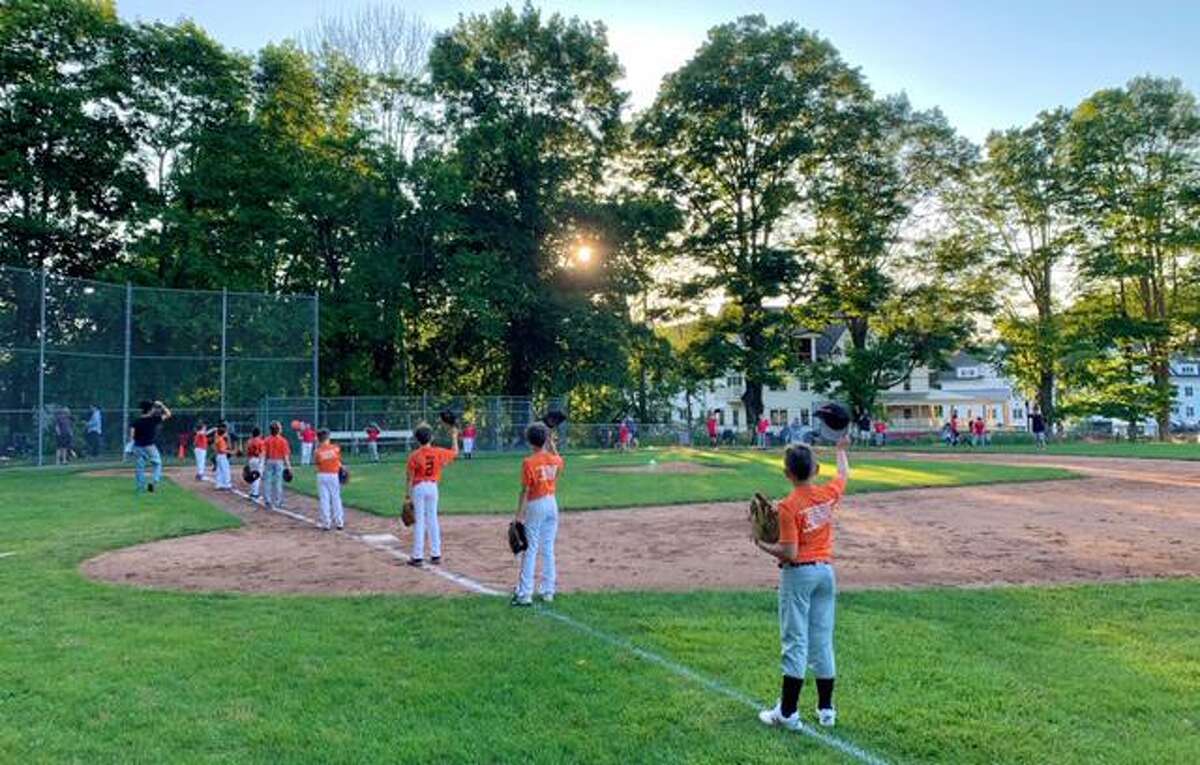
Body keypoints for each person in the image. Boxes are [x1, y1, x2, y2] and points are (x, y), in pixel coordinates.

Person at [754, 434, 850, 731]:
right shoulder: (827, 494)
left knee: (795, 640)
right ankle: (826, 710)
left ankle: (788, 712)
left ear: (786, 473)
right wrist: (841, 450)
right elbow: (843, 475)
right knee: (822, 640)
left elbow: (789, 552)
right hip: (826, 573)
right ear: (816, 469)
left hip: (799, 575)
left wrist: (761, 544)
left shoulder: (788, 505)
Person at [511, 422, 564, 607]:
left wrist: (519, 515)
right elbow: (558, 460)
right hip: (552, 503)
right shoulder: (555, 460)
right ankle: (548, 591)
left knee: (530, 548)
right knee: (547, 547)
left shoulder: (528, 462)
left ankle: (525, 594)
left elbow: (525, 491)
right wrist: (550, 441)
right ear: (545, 440)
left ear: (529, 441)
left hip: (536, 503)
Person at [404, 421, 459, 567]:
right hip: (433, 488)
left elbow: (409, 478)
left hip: (419, 488)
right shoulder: (438, 452)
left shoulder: (414, 456)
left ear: (417, 439)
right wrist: (454, 436)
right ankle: (436, 554)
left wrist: (407, 496)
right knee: (432, 519)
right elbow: (455, 453)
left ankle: (417, 556)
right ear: (431, 438)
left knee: (419, 521)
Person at [129, 400, 171, 494]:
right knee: (157, 464)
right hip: (150, 446)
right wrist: (162, 405)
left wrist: (131, 447)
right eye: (152, 408)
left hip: (138, 446)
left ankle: (141, 488)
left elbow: (131, 436)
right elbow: (168, 414)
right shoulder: (153, 419)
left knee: (140, 468)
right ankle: (152, 484)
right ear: (149, 410)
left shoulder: (136, 421)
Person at [314, 428, 345, 531]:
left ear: (318, 439)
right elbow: (338, 462)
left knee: (324, 499)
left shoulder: (317, 451)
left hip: (322, 475)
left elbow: (317, 464)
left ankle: (326, 523)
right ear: (328, 437)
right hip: (333, 475)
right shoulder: (335, 448)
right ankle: (339, 522)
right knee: (336, 498)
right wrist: (343, 468)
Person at [263, 421, 293, 509]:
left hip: (269, 461)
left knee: (267, 481)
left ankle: (267, 500)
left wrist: (263, 464)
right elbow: (286, 456)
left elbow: (264, 453)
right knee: (278, 481)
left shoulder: (267, 440)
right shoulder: (283, 441)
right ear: (278, 430)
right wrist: (289, 467)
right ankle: (278, 501)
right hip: (279, 462)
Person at [244, 426, 265, 502]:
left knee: (252, 476)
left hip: (251, 459)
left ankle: (252, 493)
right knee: (257, 477)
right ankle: (255, 495)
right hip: (257, 460)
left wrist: (248, 461)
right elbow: (261, 452)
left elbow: (247, 452)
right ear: (259, 433)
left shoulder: (249, 441)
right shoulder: (260, 441)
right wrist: (261, 461)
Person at [212, 423, 233, 490]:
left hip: (219, 456)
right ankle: (227, 484)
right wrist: (231, 452)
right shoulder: (221, 439)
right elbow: (222, 450)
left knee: (219, 470)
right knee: (225, 470)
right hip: (222, 456)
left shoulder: (218, 438)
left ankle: (219, 484)